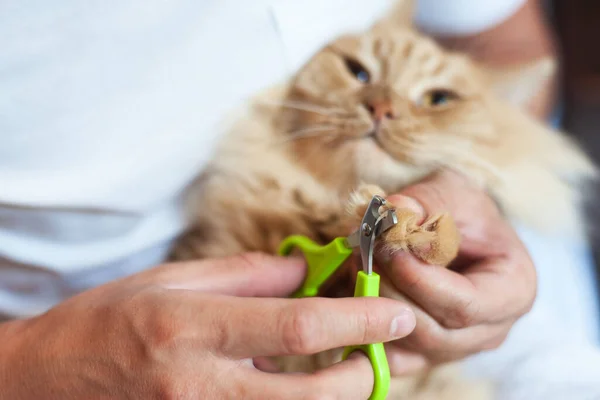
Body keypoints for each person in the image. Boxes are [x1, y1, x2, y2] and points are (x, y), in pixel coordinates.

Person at [0, 0, 597, 398]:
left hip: (485, 328)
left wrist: (469, 191)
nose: (385, 107)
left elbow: (512, 48)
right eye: (361, 74)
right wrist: (28, 362)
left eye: (435, 98)